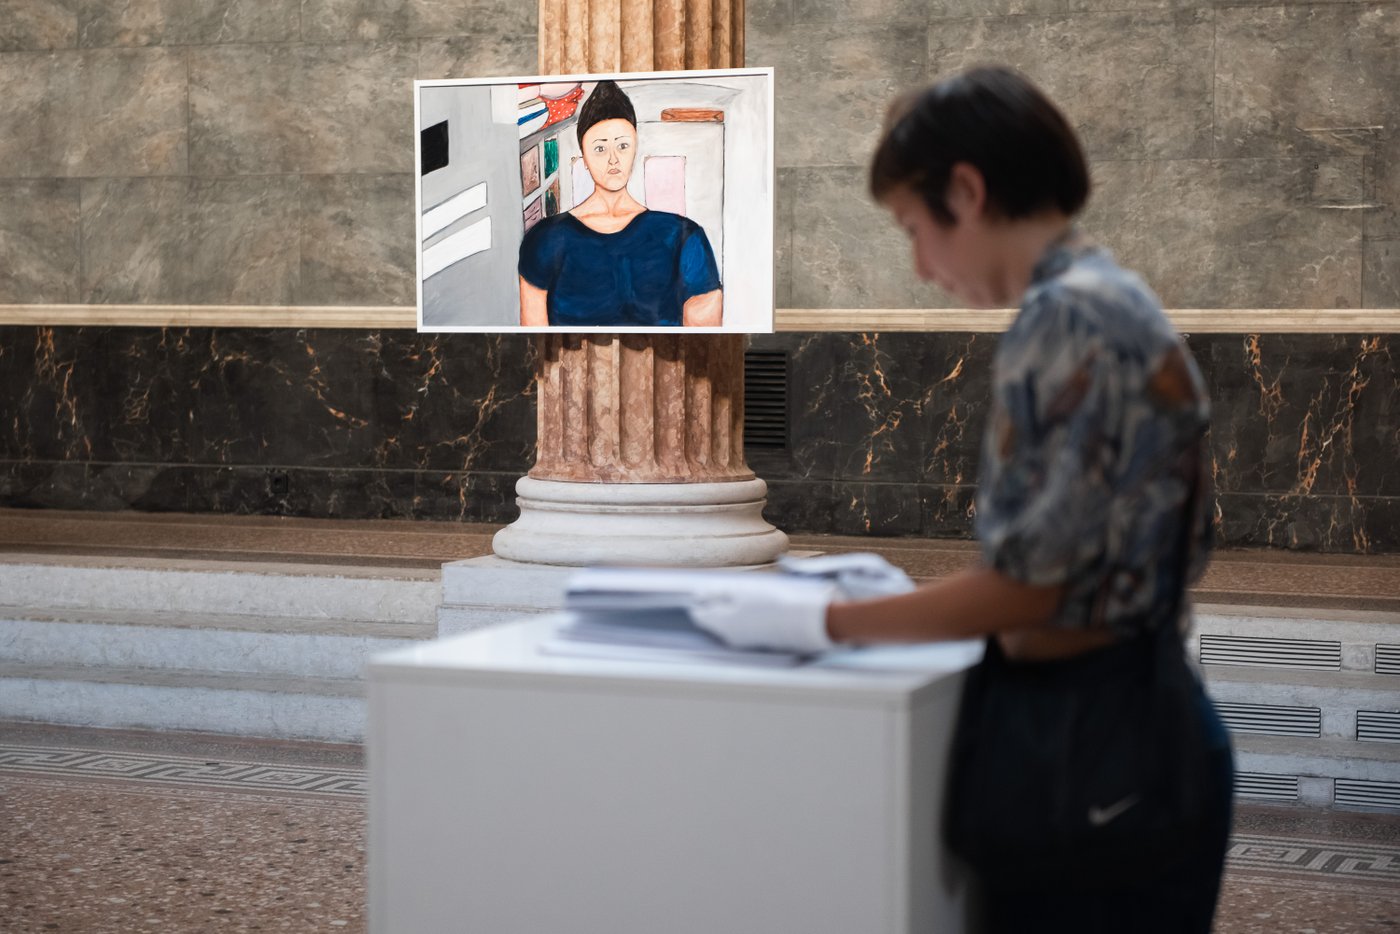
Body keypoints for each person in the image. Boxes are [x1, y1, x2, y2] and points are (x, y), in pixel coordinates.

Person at [690, 66, 1235, 932]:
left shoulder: (1067, 321)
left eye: (914, 229)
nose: (920, 265)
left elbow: (1034, 589)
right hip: (1133, 730)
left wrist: (824, 622)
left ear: (967, 192)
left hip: (1098, 754)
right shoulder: (1112, 300)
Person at [517, 80, 723, 328]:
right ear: (584, 157)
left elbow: (704, 342)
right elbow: (535, 341)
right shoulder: (544, 238)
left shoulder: (684, 236)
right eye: (600, 148)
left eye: (623, 146)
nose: (613, 159)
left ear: (635, 148)